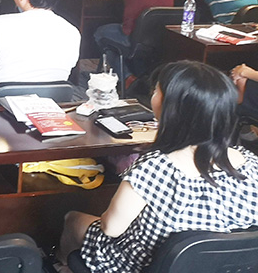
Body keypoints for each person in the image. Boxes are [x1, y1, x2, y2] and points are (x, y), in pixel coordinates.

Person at [58, 60, 258, 273]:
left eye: (156, 90)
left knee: (73, 219)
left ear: (170, 107)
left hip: (140, 267)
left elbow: (111, 229)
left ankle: (60, 266)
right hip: (222, 268)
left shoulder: (154, 169)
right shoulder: (252, 165)